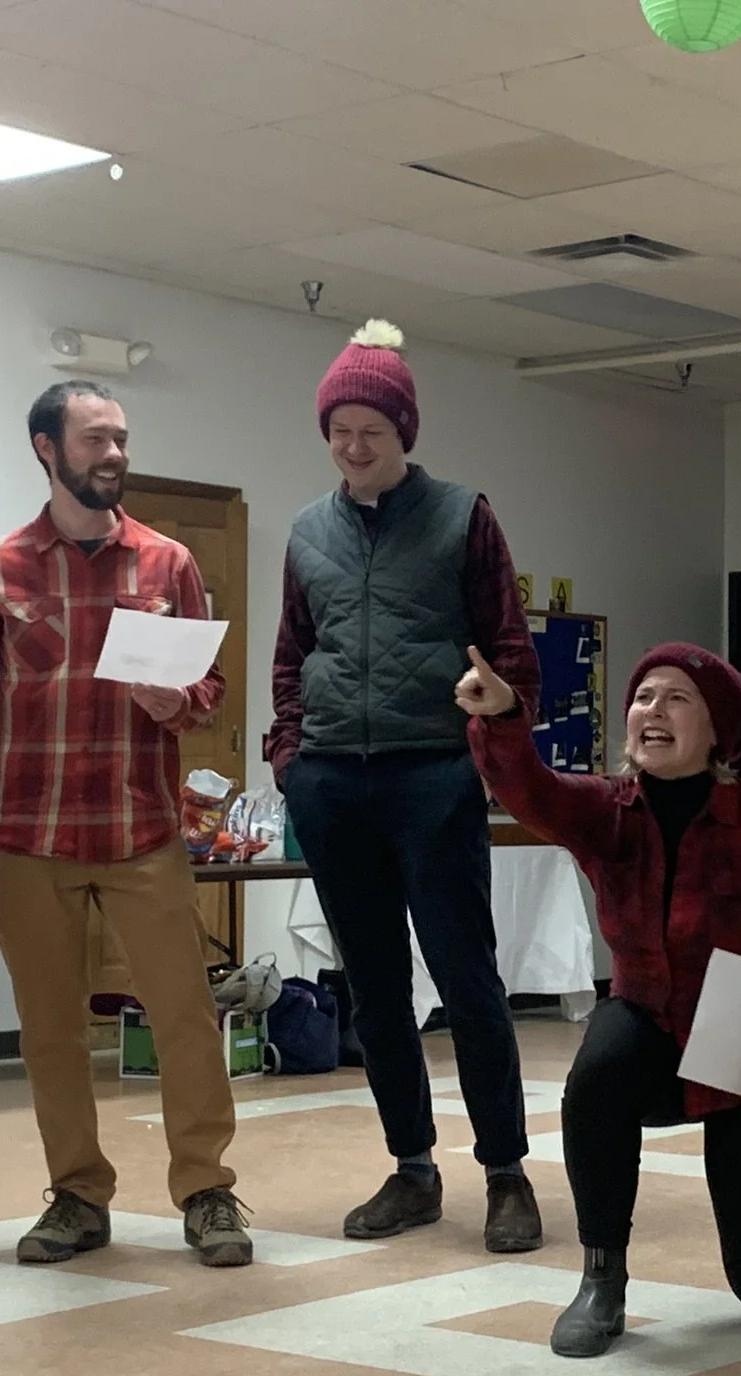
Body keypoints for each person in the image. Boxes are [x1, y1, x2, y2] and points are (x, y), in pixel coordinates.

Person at [459, 640, 741, 1357]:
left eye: (678, 698)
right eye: (645, 697)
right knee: (600, 1070)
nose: (654, 710)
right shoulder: (606, 813)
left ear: (718, 734)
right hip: (651, 1026)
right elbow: (531, 790)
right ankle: (601, 1278)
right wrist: (504, 717)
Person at [0, 380, 251, 1268]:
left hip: (142, 830)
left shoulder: (169, 563)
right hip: (31, 834)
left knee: (183, 1013)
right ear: (46, 448)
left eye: (121, 439)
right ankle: (77, 1194)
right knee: (50, 1028)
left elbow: (209, 693)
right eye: (95, 440)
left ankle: (207, 1190)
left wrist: (178, 699)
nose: (114, 454)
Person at [268, 319, 542, 1254]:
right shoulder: (309, 532)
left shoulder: (466, 517)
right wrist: (289, 759)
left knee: (469, 982)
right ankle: (412, 1169)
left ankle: (505, 1171)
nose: (353, 446)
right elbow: (292, 656)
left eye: (371, 431)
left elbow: (512, 650)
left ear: (403, 433)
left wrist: (499, 710)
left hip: (435, 772)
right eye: (339, 429)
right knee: (375, 989)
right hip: (334, 781)